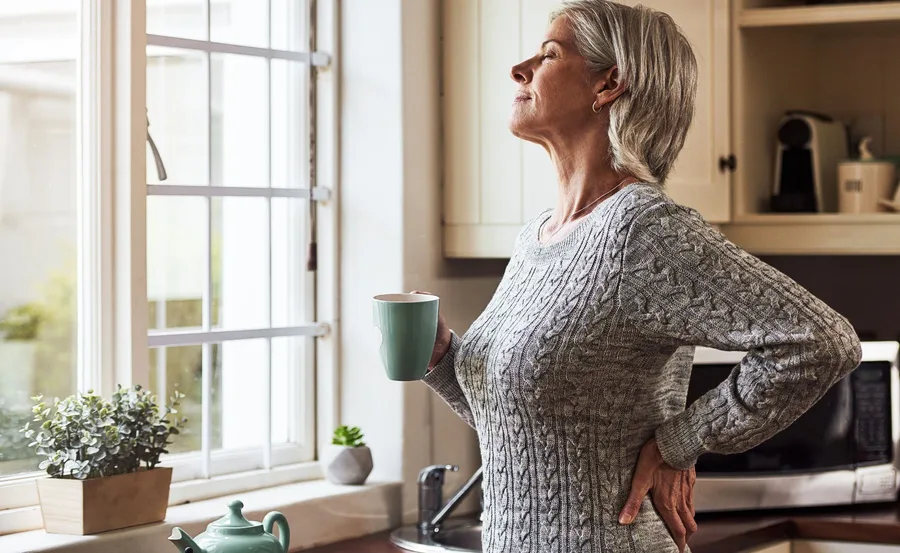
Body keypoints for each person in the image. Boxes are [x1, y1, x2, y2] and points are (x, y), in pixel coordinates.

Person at [418, 1, 863, 552]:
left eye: (549, 54)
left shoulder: (642, 232)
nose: (520, 68)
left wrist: (681, 440)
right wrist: (442, 360)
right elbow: (524, 425)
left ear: (609, 85)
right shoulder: (537, 236)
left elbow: (821, 340)